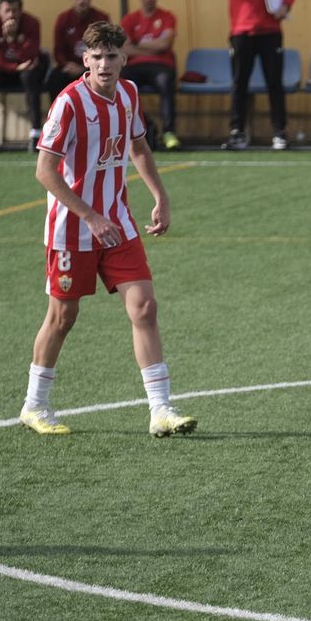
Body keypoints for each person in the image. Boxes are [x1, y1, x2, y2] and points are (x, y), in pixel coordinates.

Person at [19, 22, 196, 440]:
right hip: (72, 229)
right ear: (85, 59)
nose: (104, 64)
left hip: (117, 224)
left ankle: (161, 410)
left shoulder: (129, 94)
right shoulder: (68, 103)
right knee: (63, 317)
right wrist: (89, 216)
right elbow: (44, 170)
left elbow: (138, 147)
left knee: (144, 308)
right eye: (96, 57)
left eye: (111, 56)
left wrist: (160, 196)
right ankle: (34, 406)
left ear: (123, 59)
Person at [221, 0, 296, 151]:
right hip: (241, 32)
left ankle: (279, 132)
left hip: (270, 32)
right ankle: (237, 133)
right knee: (239, 84)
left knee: (275, 83)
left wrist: (285, 6)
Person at [121, 0, 183, 151]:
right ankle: (138, 128)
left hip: (161, 66)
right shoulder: (129, 19)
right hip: (135, 66)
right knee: (121, 83)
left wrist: (138, 43)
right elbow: (124, 49)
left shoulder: (168, 17)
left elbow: (165, 44)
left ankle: (169, 132)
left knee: (166, 82)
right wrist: (153, 46)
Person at [0, 0, 46, 152]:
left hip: (26, 71)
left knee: (29, 76)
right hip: (5, 72)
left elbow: (30, 56)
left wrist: (13, 39)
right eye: (7, 11)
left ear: (21, 11)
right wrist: (13, 66)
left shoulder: (32, 23)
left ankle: (36, 134)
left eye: (15, 11)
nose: (11, 15)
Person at [45, 0, 111, 99]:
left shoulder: (101, 18)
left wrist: (85, 67)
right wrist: (67, 64)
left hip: (93, 67)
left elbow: (106, 49)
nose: (81, 1)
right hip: (69, 67)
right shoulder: (63, 19)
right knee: (54, 78)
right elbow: (58, 50)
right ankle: (58, 110)